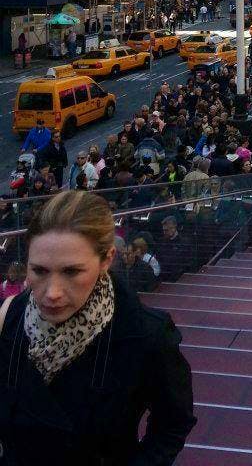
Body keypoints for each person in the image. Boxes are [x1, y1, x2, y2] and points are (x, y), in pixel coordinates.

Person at [0, 191, 195, 464]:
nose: (51, 293)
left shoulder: (144, 334)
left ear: (107, 259)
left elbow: (173, 422)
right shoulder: (11, 316)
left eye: (71, 272)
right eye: (40, 271)